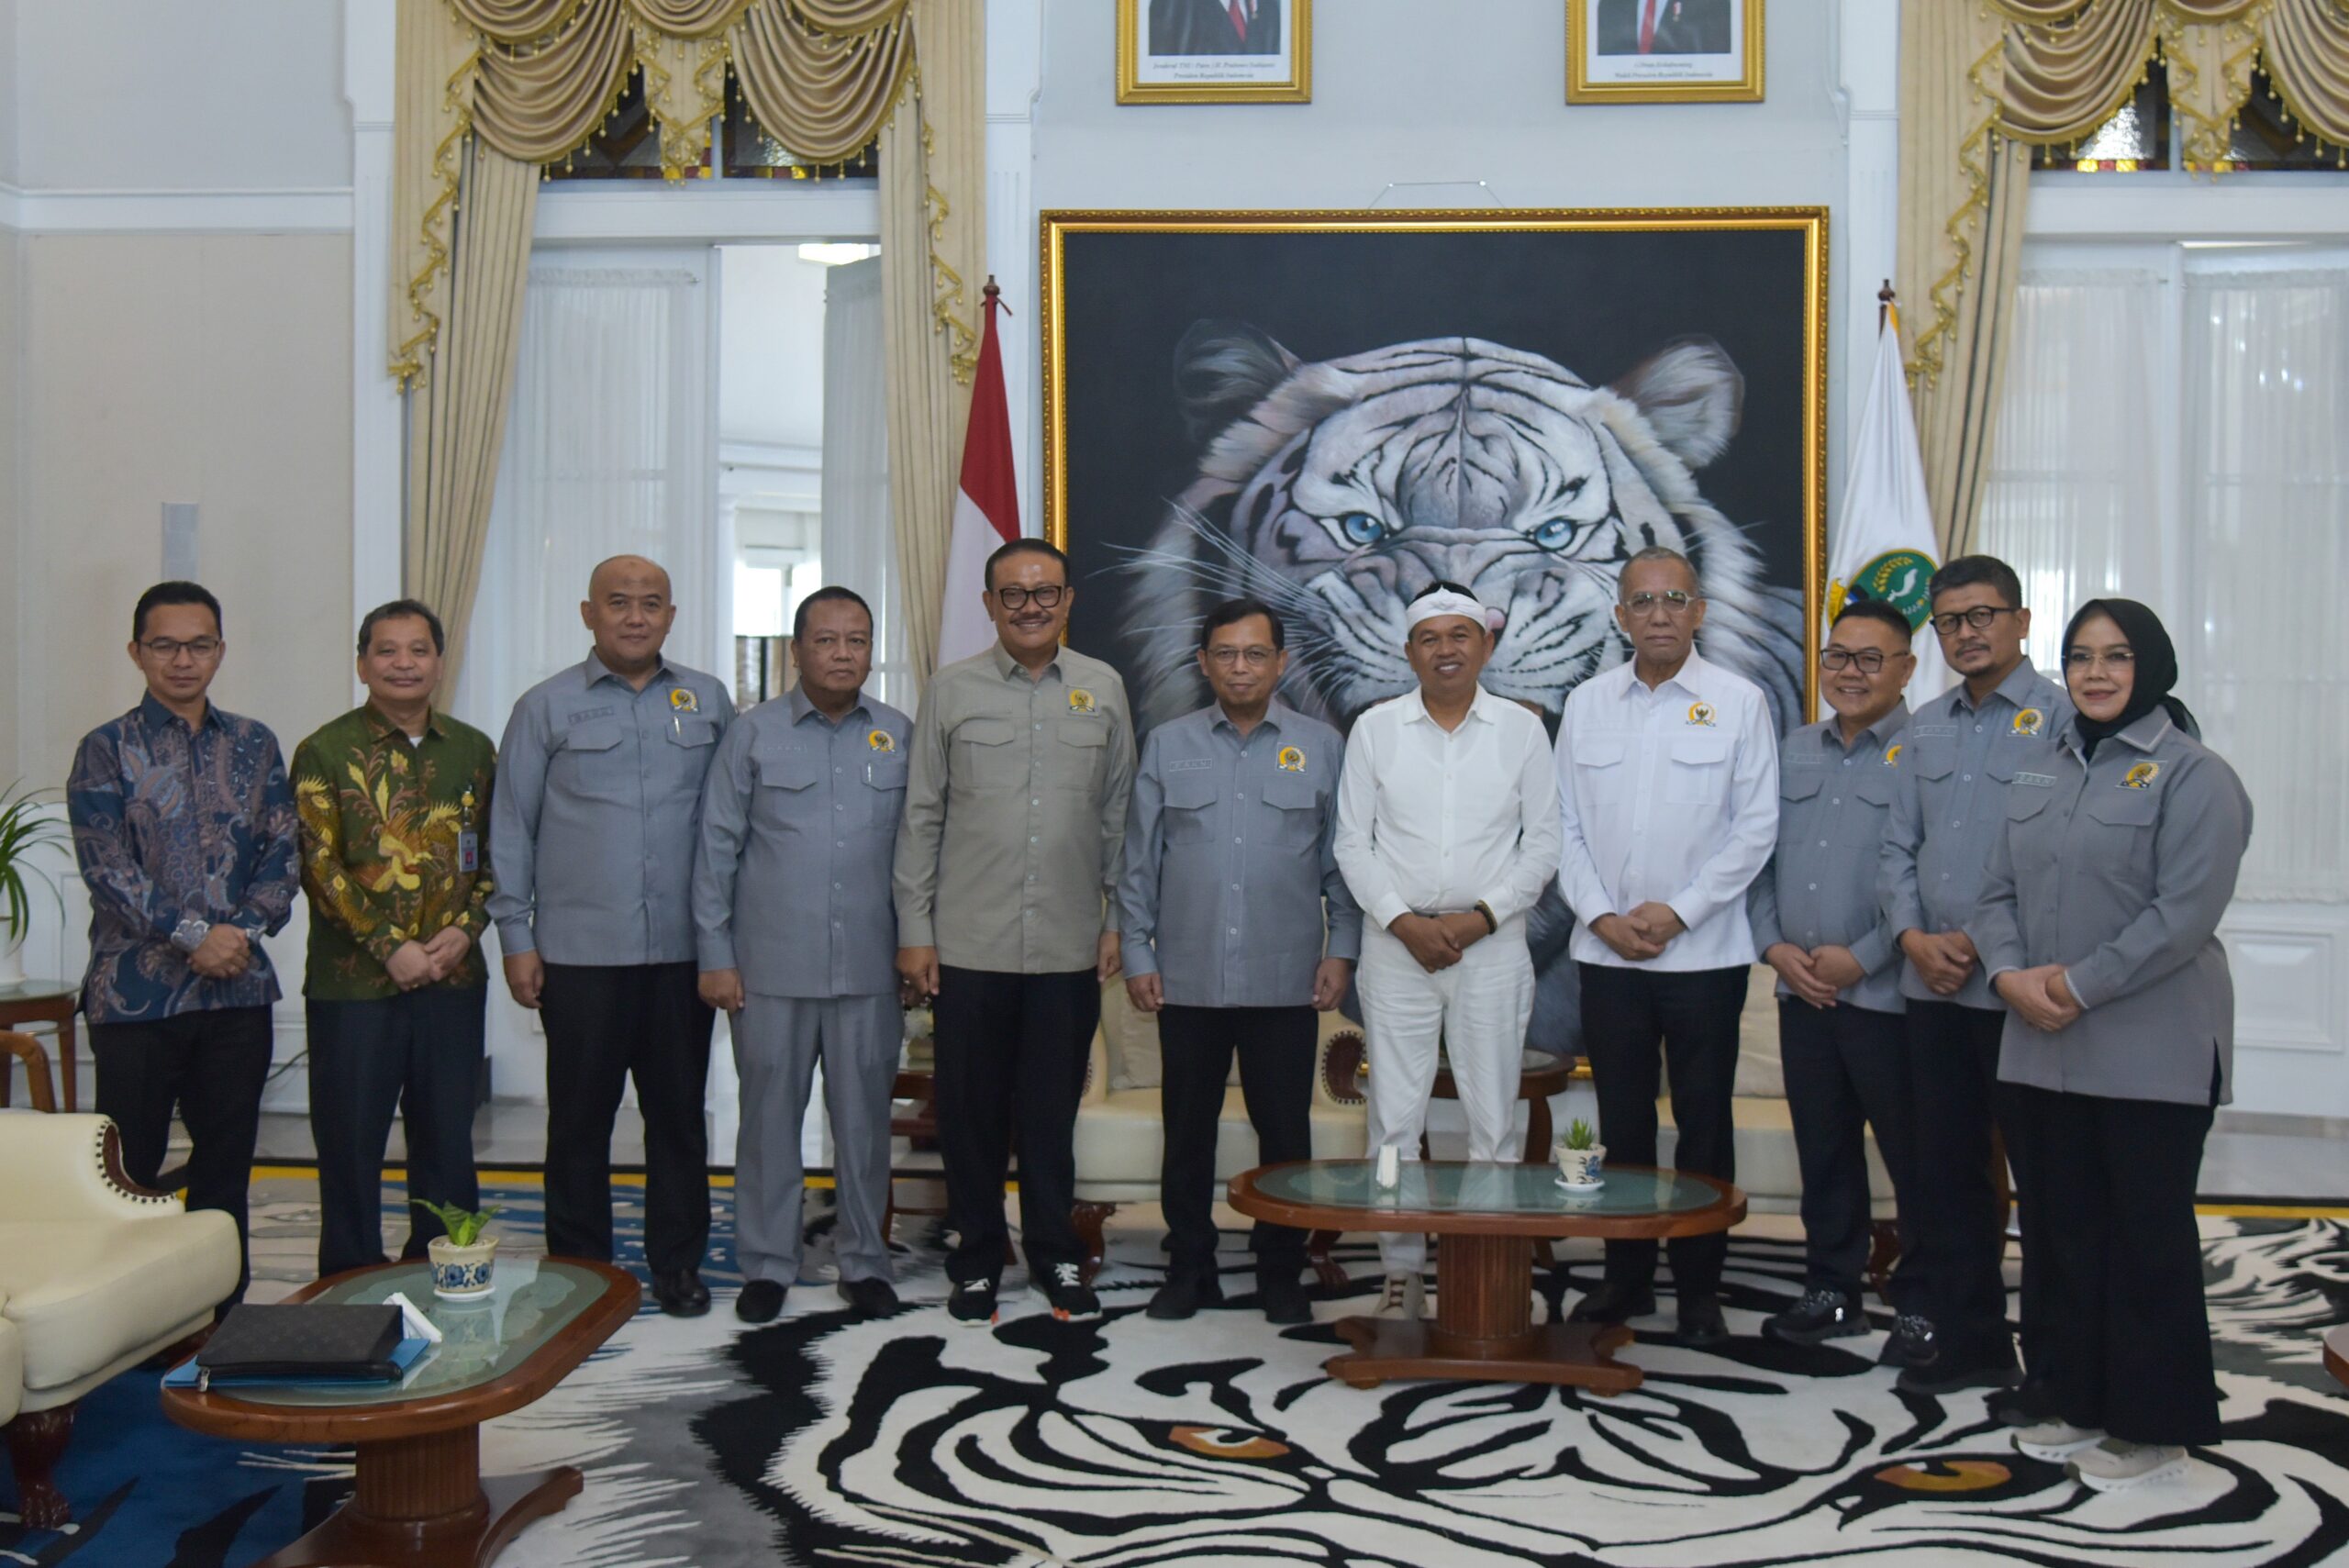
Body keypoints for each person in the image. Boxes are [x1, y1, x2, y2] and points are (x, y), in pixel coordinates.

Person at [1976, 598, 2249, 1492]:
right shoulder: (2034, 768)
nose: (2095, 673)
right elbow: (1990, 892)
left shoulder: (2195, 775)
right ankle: (2071, 1393)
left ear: (2153, 665)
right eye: (2080, 656)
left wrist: (2074, 985)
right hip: (2035, 1047)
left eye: (2116, 656)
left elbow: (2181, 917)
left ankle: (2153, 1420)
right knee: (2058, 1233)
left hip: (2148, 1052)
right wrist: (2012, 976)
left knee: (2142, 1238)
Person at [894, 539, 1136, 1325]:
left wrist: (1117, 920)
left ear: (1068, 600)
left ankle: (1056, 1255)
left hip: (1068, 944)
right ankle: (972, 1260)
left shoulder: (1103, 688)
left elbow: (1119, 819)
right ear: (991, 604)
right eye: (1013, 594)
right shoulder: (951, 690)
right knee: (968, 1115)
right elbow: (921, 815)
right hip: (968, 944)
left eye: (1046, 592)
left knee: (1048, 1117)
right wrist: (915, 929)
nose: (1030, 606)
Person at [490, 555, 735, 1316]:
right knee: (579, 1123)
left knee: (677, 1120)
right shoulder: (546, 707)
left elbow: (731, 826)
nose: (636, 616)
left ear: (671, 614)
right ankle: (579, 1270)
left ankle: (678, 1265)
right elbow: (510, 827)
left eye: (651, 603)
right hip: (579, 955)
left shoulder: (710, 700)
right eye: (619, 602)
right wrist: (515, 936)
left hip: (681, 954)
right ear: (587, 612)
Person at [1553, 546, 1776, 1347]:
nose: (1657, 614)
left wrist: (1677, 913)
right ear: (1619, 615)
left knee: (1705, 1124)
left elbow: (1756, 830)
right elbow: (1563, 826)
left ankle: (1699, 1287)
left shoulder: (1740, 702)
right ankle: (1627, 1278)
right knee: (1623, 1124)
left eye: (1673, 599)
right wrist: (1604, 917)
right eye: (1641, 601)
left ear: (1699, 611)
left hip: (1705, 956)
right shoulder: (1585, 704)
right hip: (1607, 956)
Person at [1119, 597, 1361, 1325]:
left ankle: (1281, 1270)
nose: (1241, 666)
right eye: (1225, 653)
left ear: (1281, 662)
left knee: (1285, 1134)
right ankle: (1190, 1267)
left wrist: (1341, 949)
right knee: (1185, 1132)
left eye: (1256, 653)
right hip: (1186, 979)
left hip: (1285, 977)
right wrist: (1136, 949)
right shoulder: (1167, 743)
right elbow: (1138, 861)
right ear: (1204, 663)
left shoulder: (1323, 747)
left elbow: (1340, 864)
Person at [1331, 582, 1561, 1323]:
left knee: (1493, 1117)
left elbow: (1545, 845)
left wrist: (1478, 919)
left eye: (1461, 635)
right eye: (1430, 638)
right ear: (1408, 651)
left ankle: (1489, 1264)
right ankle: (1401, 1272)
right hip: (1396, 948)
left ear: (1486, 646)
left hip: (1490, 947)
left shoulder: (1522, 731)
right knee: (1393, 1118)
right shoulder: (1374, 728)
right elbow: (1350, 844)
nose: (1446, 649)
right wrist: (1406, 922)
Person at [67, 582, 299, 1309]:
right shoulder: (106, 749)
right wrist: (196, 935)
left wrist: (242, 935)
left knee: (226, 1166)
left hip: (236, 995)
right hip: (135, 997)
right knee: (129, 1169)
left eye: (199, 644)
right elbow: (108, 870)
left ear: (221, 651)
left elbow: (283, 853)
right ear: (136, 651)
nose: (182, 659)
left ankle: (219, 1312)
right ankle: (130, 1318)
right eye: (164, 644)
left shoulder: (255, 743)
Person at [1877, 553, 2071, 1398]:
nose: (1966, 632)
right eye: (1950, 621)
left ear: (2021, 621)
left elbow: (2072, 859)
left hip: (2021, 995)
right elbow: (1895, 852)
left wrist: (2000, 961)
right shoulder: (1924, 725)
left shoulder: (2066, 718)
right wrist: (1913, 936)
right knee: (1948, 1175)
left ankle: (2061, 1356)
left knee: (2047, 1179)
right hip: (1932, 987)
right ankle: (1972, 1341)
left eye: (1982, 615)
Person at [695, 588, 910, 1323]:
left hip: (871, 971)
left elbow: (921, 852)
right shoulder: (752, 735)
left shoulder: (900, 735)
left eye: (857, 640)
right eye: (827, 640)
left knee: (863, 1130)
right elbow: (715, 849)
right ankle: (767, 1263)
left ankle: (865, 1261)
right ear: (797, 649)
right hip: (769, 971)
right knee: (767, 1126)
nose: (843, 653)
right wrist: (715, 954)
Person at [292, 600, 496, 1278]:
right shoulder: (325, 749)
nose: (404, 663)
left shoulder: (473, 750)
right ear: (362, 663)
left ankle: (449, 1270)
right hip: (355, 987)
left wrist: (465, 932)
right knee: (351, 1143)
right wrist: (390, 944)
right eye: (387, 651)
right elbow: (318, 867)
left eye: (418, 650)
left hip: (452, 981)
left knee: (447, 1142)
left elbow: (502, 857)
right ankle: (348, 1278)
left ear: (440, 662)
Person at [1748, 600, 1927, 1352]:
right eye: (1838, 657)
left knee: (1916, 1157)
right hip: (1802, 991)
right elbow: (1754, 860)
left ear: (1906, 669)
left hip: (1888, 994)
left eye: (1869, 658)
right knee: (1823, 1149)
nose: (1850, 673)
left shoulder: (1928, 751)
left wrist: (1866, 955)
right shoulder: (1792, 748)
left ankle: (1922, 1304)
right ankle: (1831, 1287)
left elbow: (1936, 876)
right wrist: (1775, 948)